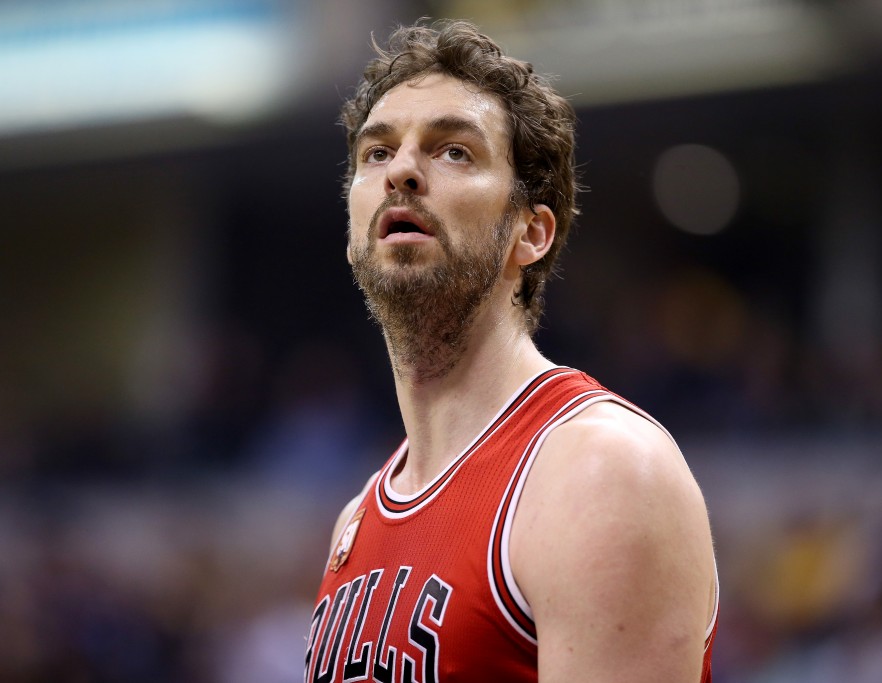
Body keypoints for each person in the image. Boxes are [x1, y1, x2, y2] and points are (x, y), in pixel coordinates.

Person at [304, 18, 717, 683]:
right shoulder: (358, 515)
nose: (402, 170)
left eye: (453, 152)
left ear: (531, 233)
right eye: (376, 153)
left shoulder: (601, 471)